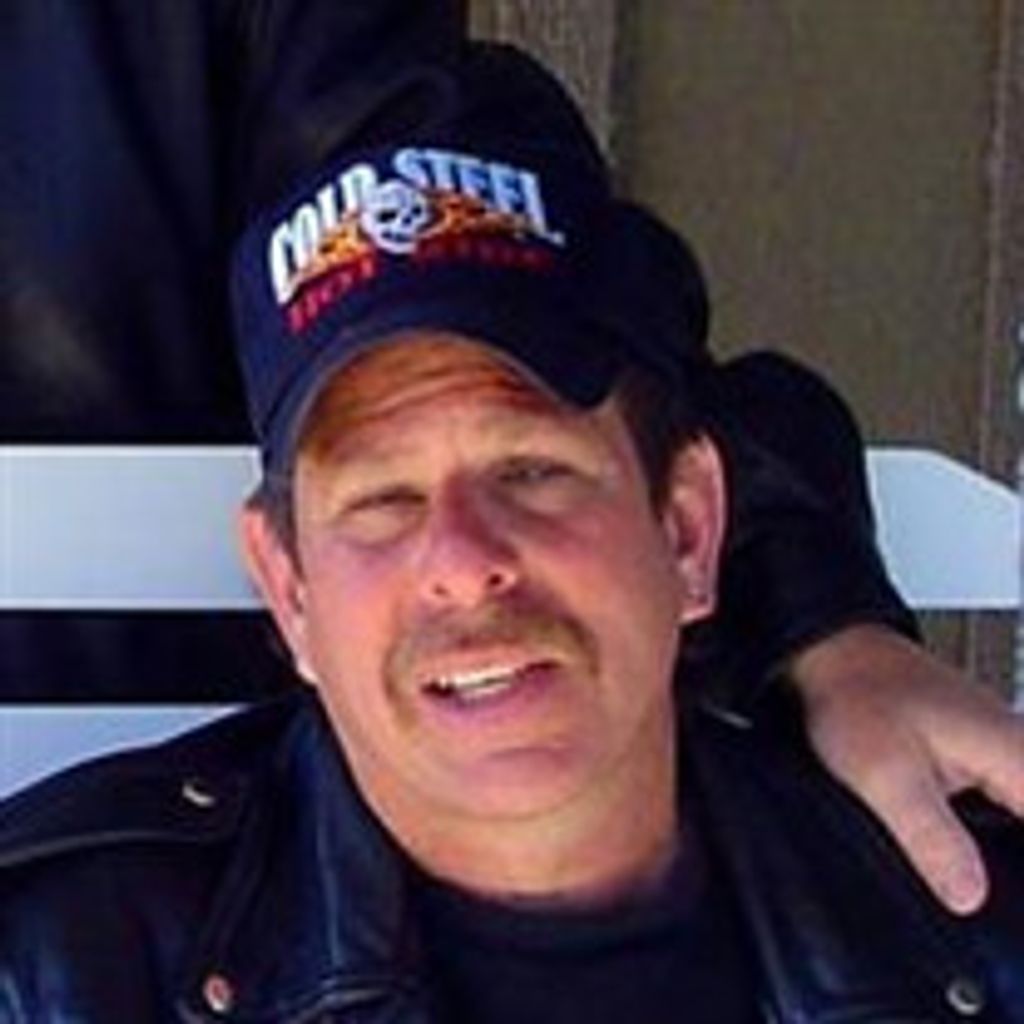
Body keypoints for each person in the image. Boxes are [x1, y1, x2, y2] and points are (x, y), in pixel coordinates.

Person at [3, 44, 1024, 1022]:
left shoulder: (968, 928)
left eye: (532, 474)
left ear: (687, 529)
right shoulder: (62, 972)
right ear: (289, 590)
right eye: (382, 500)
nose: (461, 561)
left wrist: (832, 628)